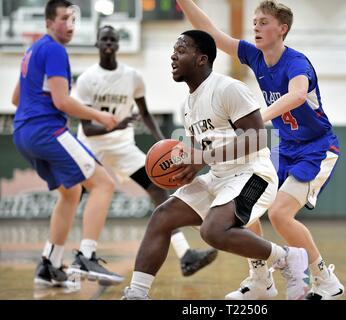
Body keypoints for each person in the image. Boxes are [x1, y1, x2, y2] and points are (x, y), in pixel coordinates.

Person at [121, 30, 310, 300]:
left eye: (181, 49)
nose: (173, 55)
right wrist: (190, 167)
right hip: (219, 177)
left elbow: (257, 138)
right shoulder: (187, 105)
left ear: (201, 59)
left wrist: (203, 159)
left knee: (213, 231)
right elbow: (207, 151)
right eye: (173, 49)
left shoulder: (227, 88)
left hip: (254, 174)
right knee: (162, 216)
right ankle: (136, 294)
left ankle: (288, 258)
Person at [176, 0, 345, 300]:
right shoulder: (255, 57)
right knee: (243, 207)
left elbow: (296, 95)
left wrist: (258, 118)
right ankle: (260, 281)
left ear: (282, 29)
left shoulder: (296, 62)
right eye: (254, 21)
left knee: (280, 215)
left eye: (263, 21)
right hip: (285, 146)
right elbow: (211, 33)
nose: (256, 26)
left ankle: (324, 279)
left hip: (317, 148)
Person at [74, 25, 218, 277]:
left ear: (118, 44)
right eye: (104, 39)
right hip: (90, 147)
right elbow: (87, 129)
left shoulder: (132, 76)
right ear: (97, 43)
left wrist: (166, 145)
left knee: (157, 188)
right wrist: (116, 124)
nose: (109, 43)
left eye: (113, 39)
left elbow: (145, 114)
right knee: (71, 196)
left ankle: (185, 254)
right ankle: (66, 257)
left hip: (121, 146)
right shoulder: (87, 79)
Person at [11, 0, 123, 287]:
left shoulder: (33, 50)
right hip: (45, 130)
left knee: (71, 192)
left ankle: (49, 264)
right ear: (49, 22)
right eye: (64, 18)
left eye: (74, 18)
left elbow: (15, 98)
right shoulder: (55, 50)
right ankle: (87, 256)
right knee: (104, 184)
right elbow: (62, 101)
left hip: (23, 133)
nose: (70, 24)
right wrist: (99, 115)